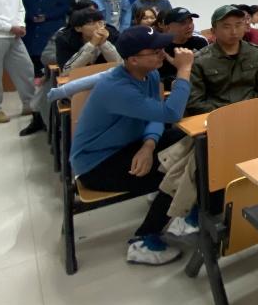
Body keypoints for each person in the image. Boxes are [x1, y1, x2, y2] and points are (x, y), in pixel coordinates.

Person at [65, 25, 195, 265]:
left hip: (130, 144)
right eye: (155, 51)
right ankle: (145, 240)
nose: (162, 53)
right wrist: (184, 70)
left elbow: (157, 116)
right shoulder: (117, 88)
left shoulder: (149, 74)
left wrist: (149, 144)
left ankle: (182, 209)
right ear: (133, 59)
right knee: (181, 171)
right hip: (96, 164)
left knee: (190, 141)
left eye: (161, 48)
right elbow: (171, 112)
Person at [187, 5, 258, 115]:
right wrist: (227, 113)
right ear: (213, 31)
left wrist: (253, 108)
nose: (234, 32)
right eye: (226, 27)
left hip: (252, 113)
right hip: (216, 117)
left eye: (238, 25)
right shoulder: (200, 60)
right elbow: (195, 102)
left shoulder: (256, 53)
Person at [21, 0, 69, 76]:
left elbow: (64, 9)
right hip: (30, 30)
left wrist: (46, 16)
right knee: (29, 61)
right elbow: (19, 8)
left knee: (48, 60)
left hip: (51, 30)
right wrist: (31, 17)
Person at [56, 7, 123, 73]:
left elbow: (121, 65)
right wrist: (91, 45)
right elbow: (66, 71)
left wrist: (104, 44)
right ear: (78, 28)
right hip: (78, 77)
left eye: (100, 22)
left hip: (106, 76)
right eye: (91, 24)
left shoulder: (112, 34)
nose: (98, 27)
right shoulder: (65, 39)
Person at [157, 7, 209, 89]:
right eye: (183, 23)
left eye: (191, 21)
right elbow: (158, 78)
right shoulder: (159, 47)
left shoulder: (200, 42)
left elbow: (207, 70)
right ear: (168, 27)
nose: (189, 26)